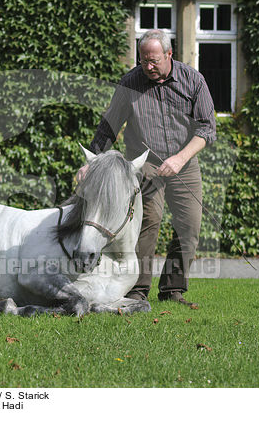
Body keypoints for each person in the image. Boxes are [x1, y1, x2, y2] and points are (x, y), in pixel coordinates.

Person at [82, 29, 216, 306]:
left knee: (189, 227)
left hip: (184, 163)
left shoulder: (193, 80)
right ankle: (136, 290)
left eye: (154, 60)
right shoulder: (130, 83)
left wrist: (180, 158)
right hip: (143, 165)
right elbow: (109, 127)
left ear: (169, 54)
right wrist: (92, 163)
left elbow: (206, 129)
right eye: (144, 61)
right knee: (147, 224)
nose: (149, 67)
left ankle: (172, 290)